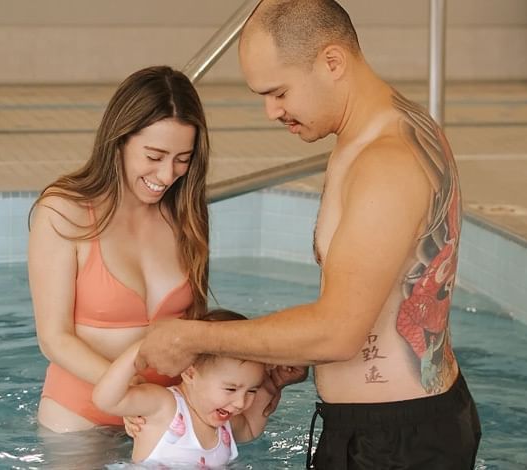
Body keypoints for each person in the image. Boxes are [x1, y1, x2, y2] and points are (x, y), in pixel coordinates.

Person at [133, 1, 481, 468]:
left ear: (331, 62)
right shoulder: (391, 130)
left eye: (278, 92)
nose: (271, 111)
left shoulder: (386, 161)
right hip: (395, 428)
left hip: (395, 443)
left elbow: (338, 333)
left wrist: (196, 339)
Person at [27, 65, 211, 464]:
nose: (167, 174)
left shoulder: (184, 214)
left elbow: (195, 326)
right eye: (154, 156)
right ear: (120, 139)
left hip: (169, 416)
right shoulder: (64, 211)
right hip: (81, 417)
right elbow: (53, 338)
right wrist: (134, 397)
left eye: (183, 159)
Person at [94, 309, 294, 467]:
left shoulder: (224, 424)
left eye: (252, 390)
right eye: (231, 389)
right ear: (190, 374)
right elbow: (106, 400)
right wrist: (144, 348)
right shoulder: (165, 406)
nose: (241, 403)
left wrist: (272, 385)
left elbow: (250, 429)